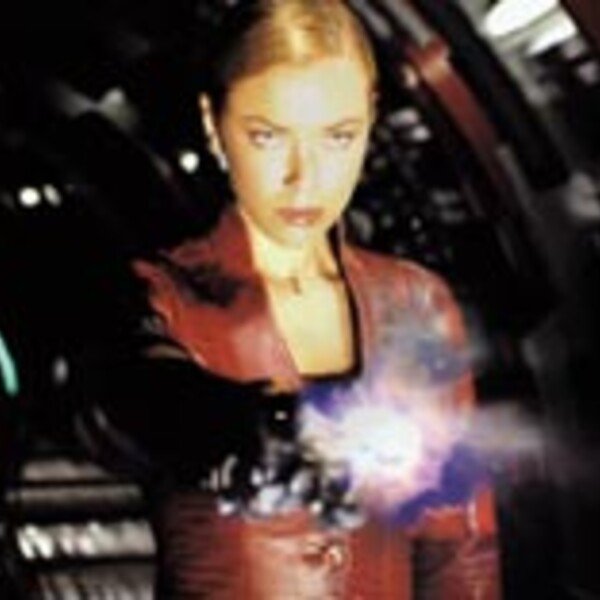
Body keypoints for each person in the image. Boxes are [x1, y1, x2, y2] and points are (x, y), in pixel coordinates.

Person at [78, 1, 502, 597]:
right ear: (214, 126)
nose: (305, 176)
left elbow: (457, 547)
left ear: (370, 122)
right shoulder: (164, 291)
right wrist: (247, 425)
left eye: (338, 137)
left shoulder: (417, 302)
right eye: (268, 136)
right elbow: (135, 398)